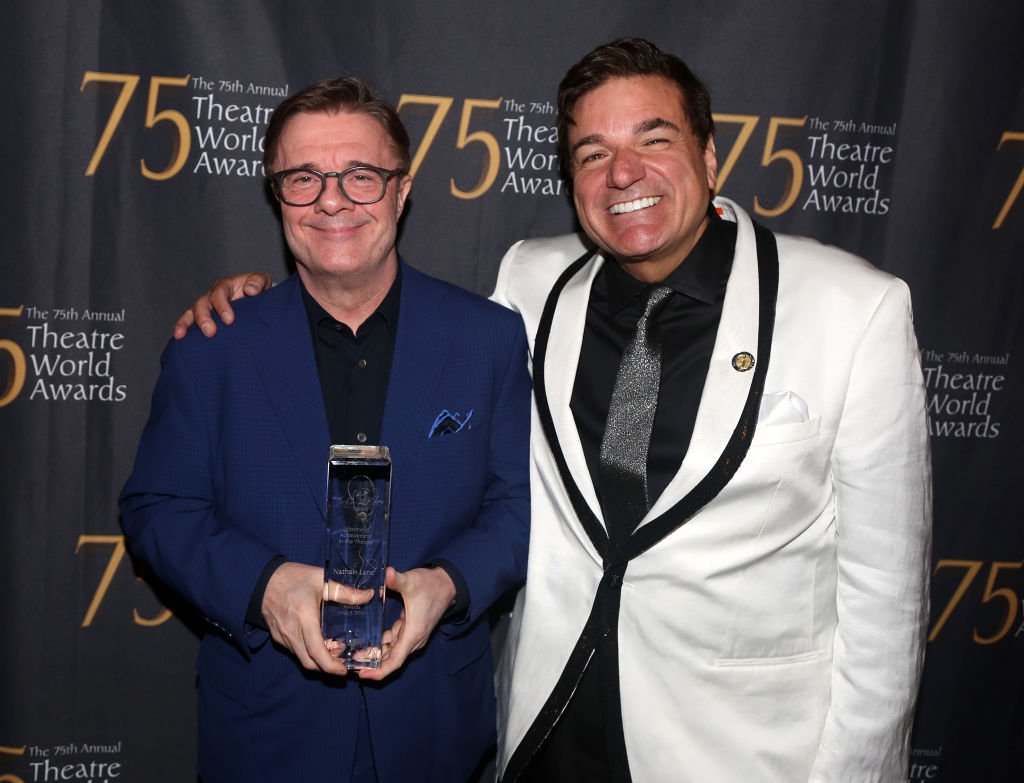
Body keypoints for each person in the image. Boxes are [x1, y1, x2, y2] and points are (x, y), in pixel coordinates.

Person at [178, 39, 932, 783]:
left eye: (654, 138)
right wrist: (256, 303)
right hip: (549, 728)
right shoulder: (531, 284)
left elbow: (886, 605)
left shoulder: (853, 309)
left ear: (709, 156)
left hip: (734, 748)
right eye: (592, 152)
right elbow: (354, 297)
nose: (623, 172)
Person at [120, 76, 531, 783]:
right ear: (277, 196)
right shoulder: (213, 345)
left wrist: (449, 584)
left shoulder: (488, 338)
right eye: (303, 177)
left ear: (402, 191)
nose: (332, 199)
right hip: (266, 731)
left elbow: (517, 505)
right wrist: (267, 588)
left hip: (434, 727)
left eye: (361, 176)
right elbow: (158, 508)